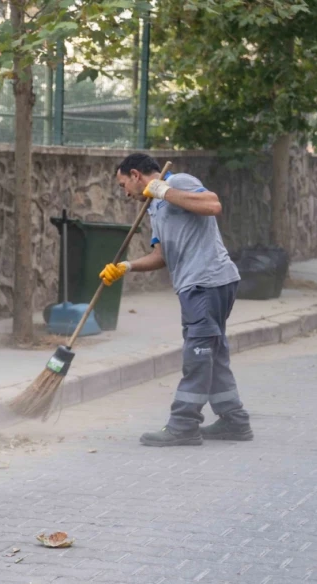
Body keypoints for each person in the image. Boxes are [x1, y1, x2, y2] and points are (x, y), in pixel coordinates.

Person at [102, 153, 253, 447]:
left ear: (135, 175)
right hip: (201, 285)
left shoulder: (179, 182)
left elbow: (212, 205)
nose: (125, 193)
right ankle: (234, 420)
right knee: (212, 353)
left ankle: (184, 424)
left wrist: (164, 190)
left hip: (205, 282)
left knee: (198, 354)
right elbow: (161, 256)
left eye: (123, 185)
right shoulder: (153, 207)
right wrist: (127, 267)